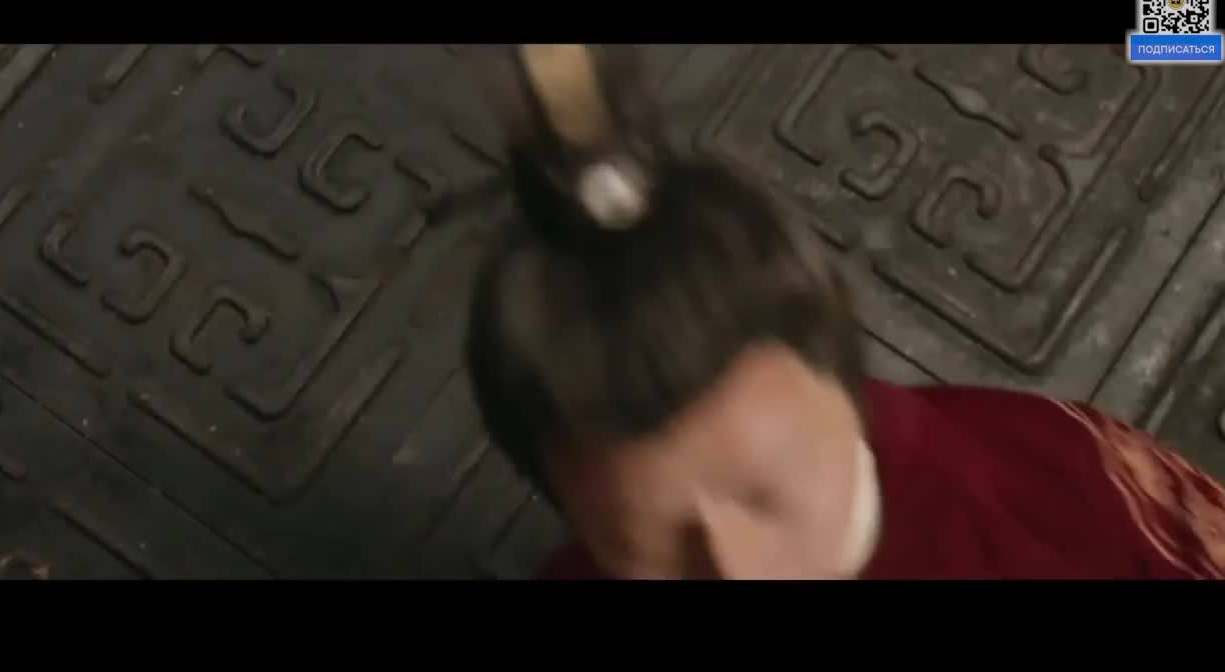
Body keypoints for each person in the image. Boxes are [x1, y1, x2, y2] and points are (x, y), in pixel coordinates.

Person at [462, 44, 1225, 580]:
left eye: (768, 494)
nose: (744, 573)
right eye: (654, 554)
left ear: (843, 382)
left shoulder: (1062, 512)